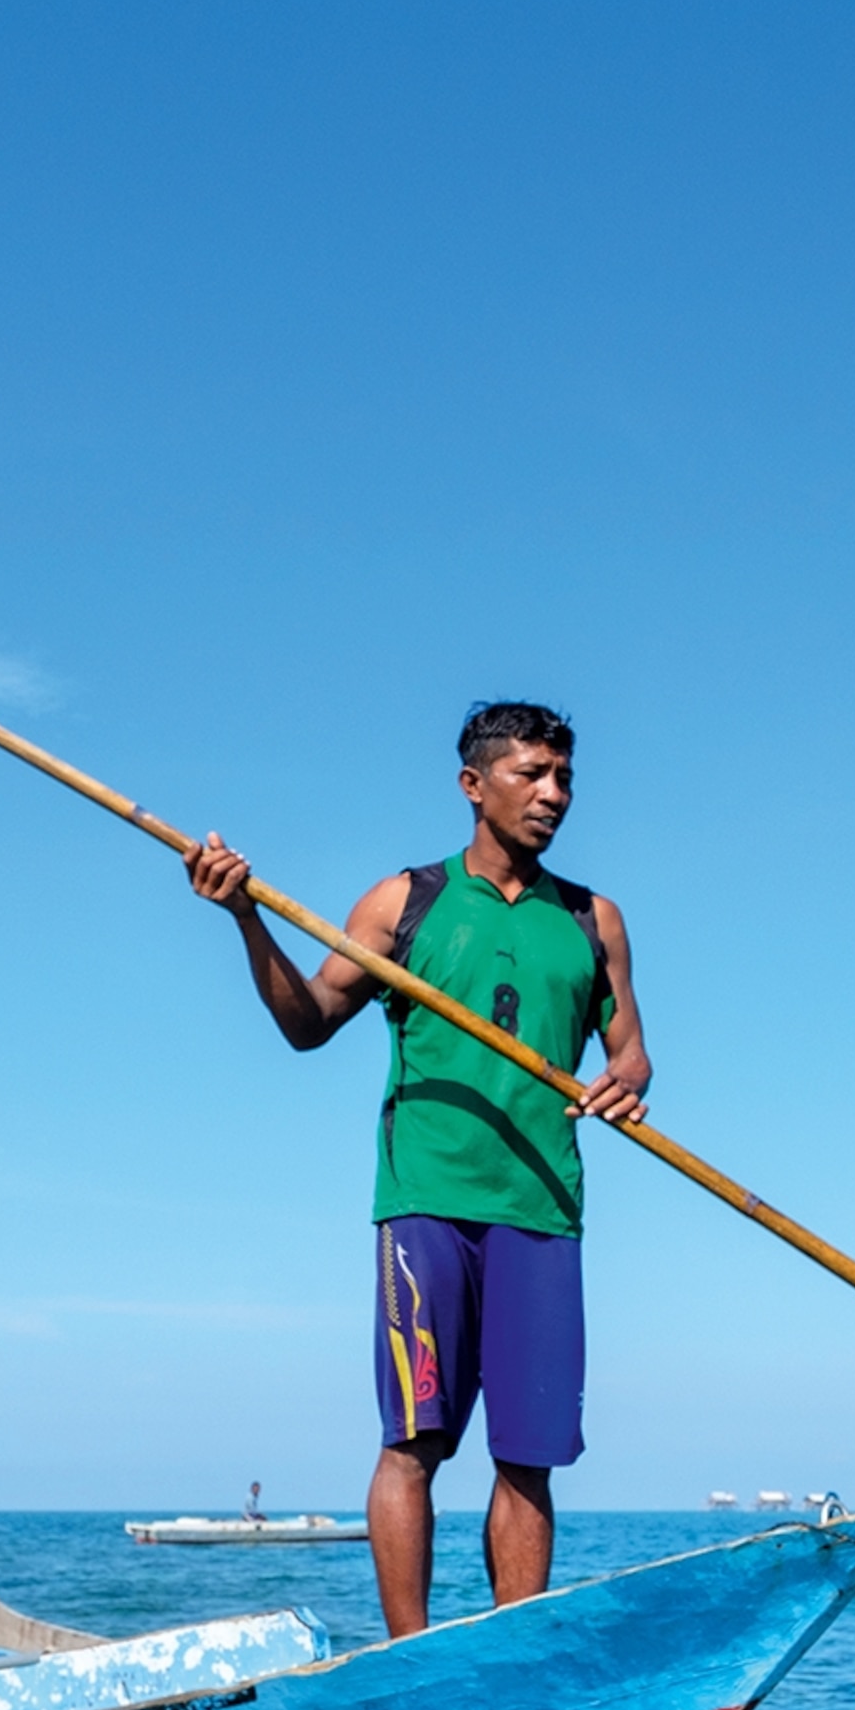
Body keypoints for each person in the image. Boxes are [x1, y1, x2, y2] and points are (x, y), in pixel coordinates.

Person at [183, 700, 652, 1637]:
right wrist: (245, 920)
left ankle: (511, 1656)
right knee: (415, 1441)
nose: (553, 795)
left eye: (564, 778)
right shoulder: (405, 903)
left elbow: (632, 1052)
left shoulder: (593, 920)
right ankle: (412, 1657)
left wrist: (627, 1079)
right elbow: (310, 1022)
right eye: (531, 775)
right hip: (426, 1205)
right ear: (474, 786)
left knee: (530, 1456)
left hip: (544, 1212)